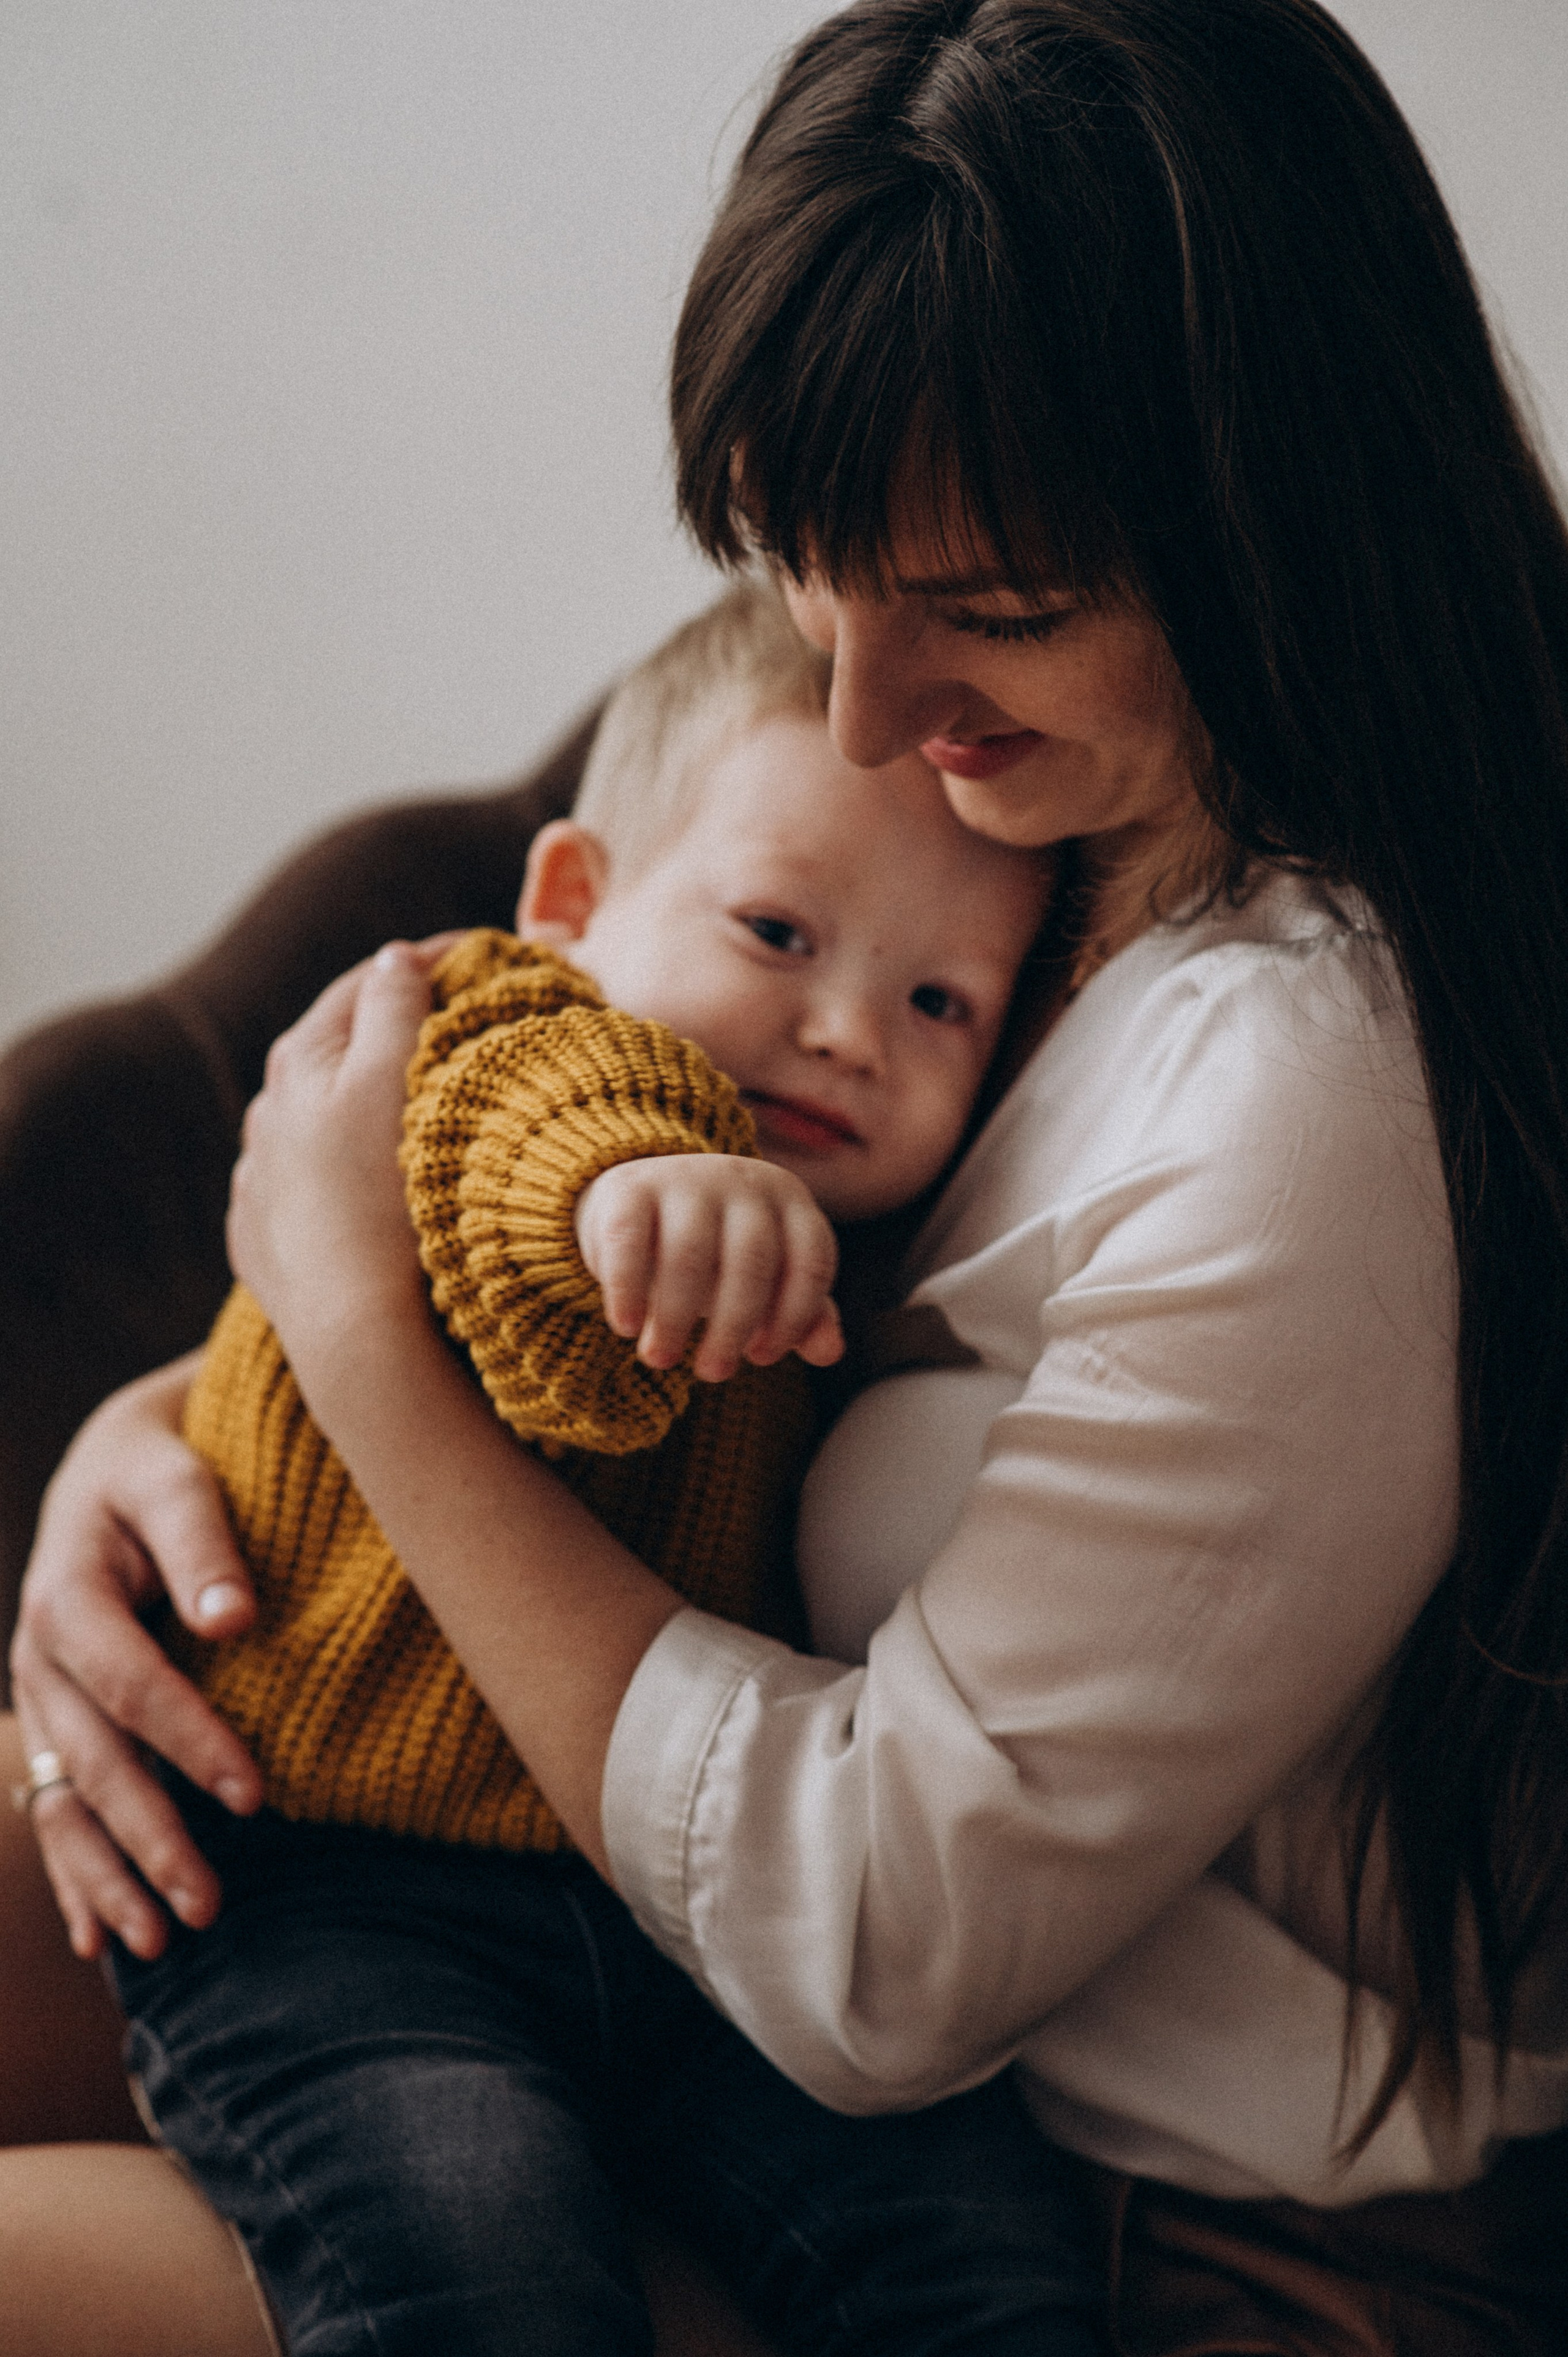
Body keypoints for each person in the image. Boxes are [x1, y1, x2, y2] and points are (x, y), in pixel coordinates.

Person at [8, 2, 1568, 2352]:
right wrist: (163, 1459)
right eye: (803, 558)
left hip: (1068, 2193)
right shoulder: (1034, 804)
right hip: (530, 1888)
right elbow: (523, 1106)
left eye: (995, 612)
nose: (862, 716)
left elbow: (873, 1960)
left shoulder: (1318, 1097)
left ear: (1277, 524)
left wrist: (348, 1331)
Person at [107, 581, 1084, 2356]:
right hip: (333, 1888)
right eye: (780, 931)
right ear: (574, 901)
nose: (850, 1031)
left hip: (683, 1926)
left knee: (975, 2250)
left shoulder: (875, 1249)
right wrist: (629, 1189)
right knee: (472, 2262)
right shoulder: (493, 1027)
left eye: (939, 999)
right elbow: (512, 1153)